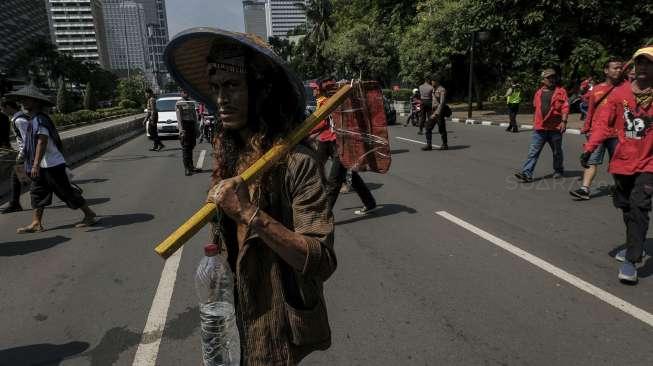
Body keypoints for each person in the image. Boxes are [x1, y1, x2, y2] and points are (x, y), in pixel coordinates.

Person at [164, 28, 336, 364]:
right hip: (232, 319)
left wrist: (247, 212)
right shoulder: (228, 157)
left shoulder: (298, 162)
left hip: (279, 323)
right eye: (215, 89)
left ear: (261, 92)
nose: (221, 99)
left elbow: (321, 261)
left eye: (232, 86)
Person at [580, 46, 653, 283]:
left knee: (639, 206)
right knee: (625, 206)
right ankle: (635, 243)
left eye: (649, 63)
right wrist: (590, 147)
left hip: (648, 163)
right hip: (621, 162)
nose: (643, 67)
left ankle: (632, 260)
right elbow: (603, 124)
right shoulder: (619, 94)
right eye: (640, 62)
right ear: (633, 67)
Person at [5, 85, 97, 233]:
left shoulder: (40, 119)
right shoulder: (33, 119)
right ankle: (36, 223)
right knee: (37, 192)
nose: (23, 102)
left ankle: (89, 214)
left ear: (36, 102)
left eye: (26, 100)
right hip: (42, 164)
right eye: (22, 100)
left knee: (66, 192)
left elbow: (42, 141)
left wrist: (34, 164)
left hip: (52, 164)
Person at [570, 57, 624, 200]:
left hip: (618, 133)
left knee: (617, 163)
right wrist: (587, 127)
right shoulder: (597, 90)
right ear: (606, 71)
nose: (619, 70)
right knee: (591, 160)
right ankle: (584, 189)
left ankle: (620, 188)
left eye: (620, 67)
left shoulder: (626, 88)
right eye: (615, 68)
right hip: (597, 133)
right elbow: (591, 111)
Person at [515, 68, 569, 182]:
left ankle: (558, 170)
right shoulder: (538, 93)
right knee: (533, 151)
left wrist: (564, 121)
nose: (552, 80)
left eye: (553, 77)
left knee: (557, 151)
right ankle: (527, 173)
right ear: (543, 80)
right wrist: (535, 121)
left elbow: (565, 107)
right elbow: (536, 108)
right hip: (540, 128)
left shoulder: (561, 91)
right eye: (549, 78)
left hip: (555, 127)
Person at [1, 99, 30, 213]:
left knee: (15, 177)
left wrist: (21, 155)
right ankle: (15, 203)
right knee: (19, 177)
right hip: (26, 153)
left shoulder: (20, 121)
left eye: (2, 108)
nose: (2, 111)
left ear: (8, 107)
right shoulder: (19, 118)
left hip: (26, 154)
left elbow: (27, 140)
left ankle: (15, 203)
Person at [176, 89, 200, 176]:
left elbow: (195, 116)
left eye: (187, 91)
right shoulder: (179, 103)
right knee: (186, 148)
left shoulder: (191, 102)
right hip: (185, 126)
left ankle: (191, 166)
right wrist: (181, 130)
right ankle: (187, 168)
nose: (186, 93)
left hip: (192, 126)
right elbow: (179, 118)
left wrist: (197, 128)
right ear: (181, 93)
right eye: (184, 92)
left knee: (191, 146)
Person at [422, 77, 448, 151]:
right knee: (428, 127)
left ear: (437, 81)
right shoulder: (434, 89)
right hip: (433, 111)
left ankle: (445, 144)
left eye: (433, 81)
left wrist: (436, 113)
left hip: (439, 112)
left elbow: (442, 103)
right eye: (431, 81)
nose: (431, 83)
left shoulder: (442, 90)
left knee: (441, 128)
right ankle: (429, 145)